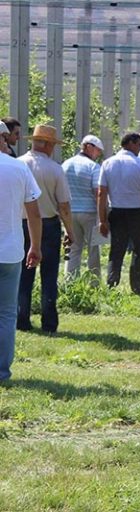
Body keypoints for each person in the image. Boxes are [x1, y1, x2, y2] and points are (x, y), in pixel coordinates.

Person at [16, 125, 74, 334]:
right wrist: (70, 230)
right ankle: (49, 322)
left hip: (21, 223)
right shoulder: (55, 169)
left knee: (23, 274)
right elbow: (64, 206)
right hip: (49, 225)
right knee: (49, 275)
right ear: (49, 145)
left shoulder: (18, 164)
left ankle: (21, 318)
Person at [0, 122, 42, 380]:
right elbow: (34, 214)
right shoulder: (18, 167)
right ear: (3, 138)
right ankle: (2, 371)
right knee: (5, 313)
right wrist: (35, 246)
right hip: (11, 251)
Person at [98, 132, 140, 295]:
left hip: (116, 211)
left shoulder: (107, 163)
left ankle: (112, 281)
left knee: (116, 248)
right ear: (131, 143)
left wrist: (102, 219)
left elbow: (101, 194)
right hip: (138, 212)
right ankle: (137, 286)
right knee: (139, 250)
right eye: (139, 144)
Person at [61, 135, 104, 282]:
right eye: (98, 150)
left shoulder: (65, 164)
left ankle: (70, 282)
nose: (98, 154)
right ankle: (94, 282)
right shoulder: (93, 167)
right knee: (94, 249)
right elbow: (97, 192)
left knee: (73, 248)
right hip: (89, 212)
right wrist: (102, 216)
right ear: (89, 147)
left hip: (70, 212)